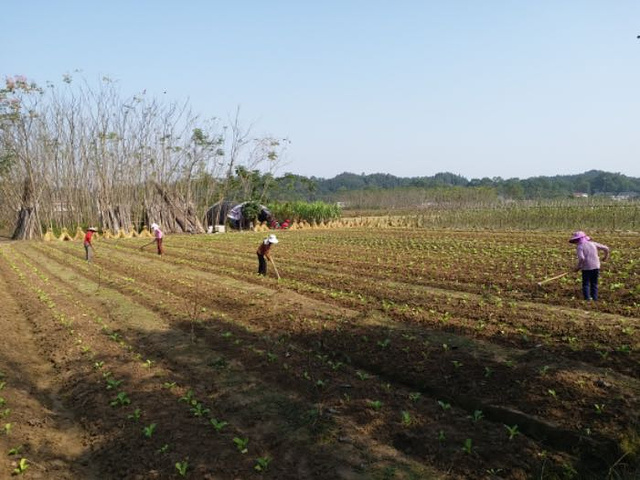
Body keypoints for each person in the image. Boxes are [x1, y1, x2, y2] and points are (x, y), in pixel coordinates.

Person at [569, 230, 609, 301]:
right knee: (594, 283)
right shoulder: (593, 243)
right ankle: (595, 299)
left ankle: (587, 300)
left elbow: (582, 258)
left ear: (577, 240)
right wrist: (605, 257)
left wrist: (578, 267)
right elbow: (606, 248)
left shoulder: (580, 247)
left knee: (586, 284)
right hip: (596, 266)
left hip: (586, 268)